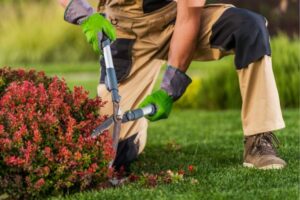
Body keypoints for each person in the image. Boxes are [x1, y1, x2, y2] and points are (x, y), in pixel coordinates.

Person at [60, 0, 286, 171]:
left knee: (249, 27)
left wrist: (170, 88)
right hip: (125, 32)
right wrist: (85, 14)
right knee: (113, 153)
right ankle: (135, 131)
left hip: (176, 19)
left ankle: (259, 140)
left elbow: (188, 17)